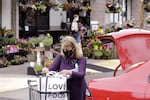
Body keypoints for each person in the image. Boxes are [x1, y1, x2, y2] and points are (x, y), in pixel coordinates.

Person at [42, 36, 87, 100]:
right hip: (63, 89)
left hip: (77, 89)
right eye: (64, 49)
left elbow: (81, 74)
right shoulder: (60, 57)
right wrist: (46, 70)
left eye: (67, 49)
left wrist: (69, 72)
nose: (65, 51)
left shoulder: (81, 59)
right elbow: (52, 68)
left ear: (73, 48)